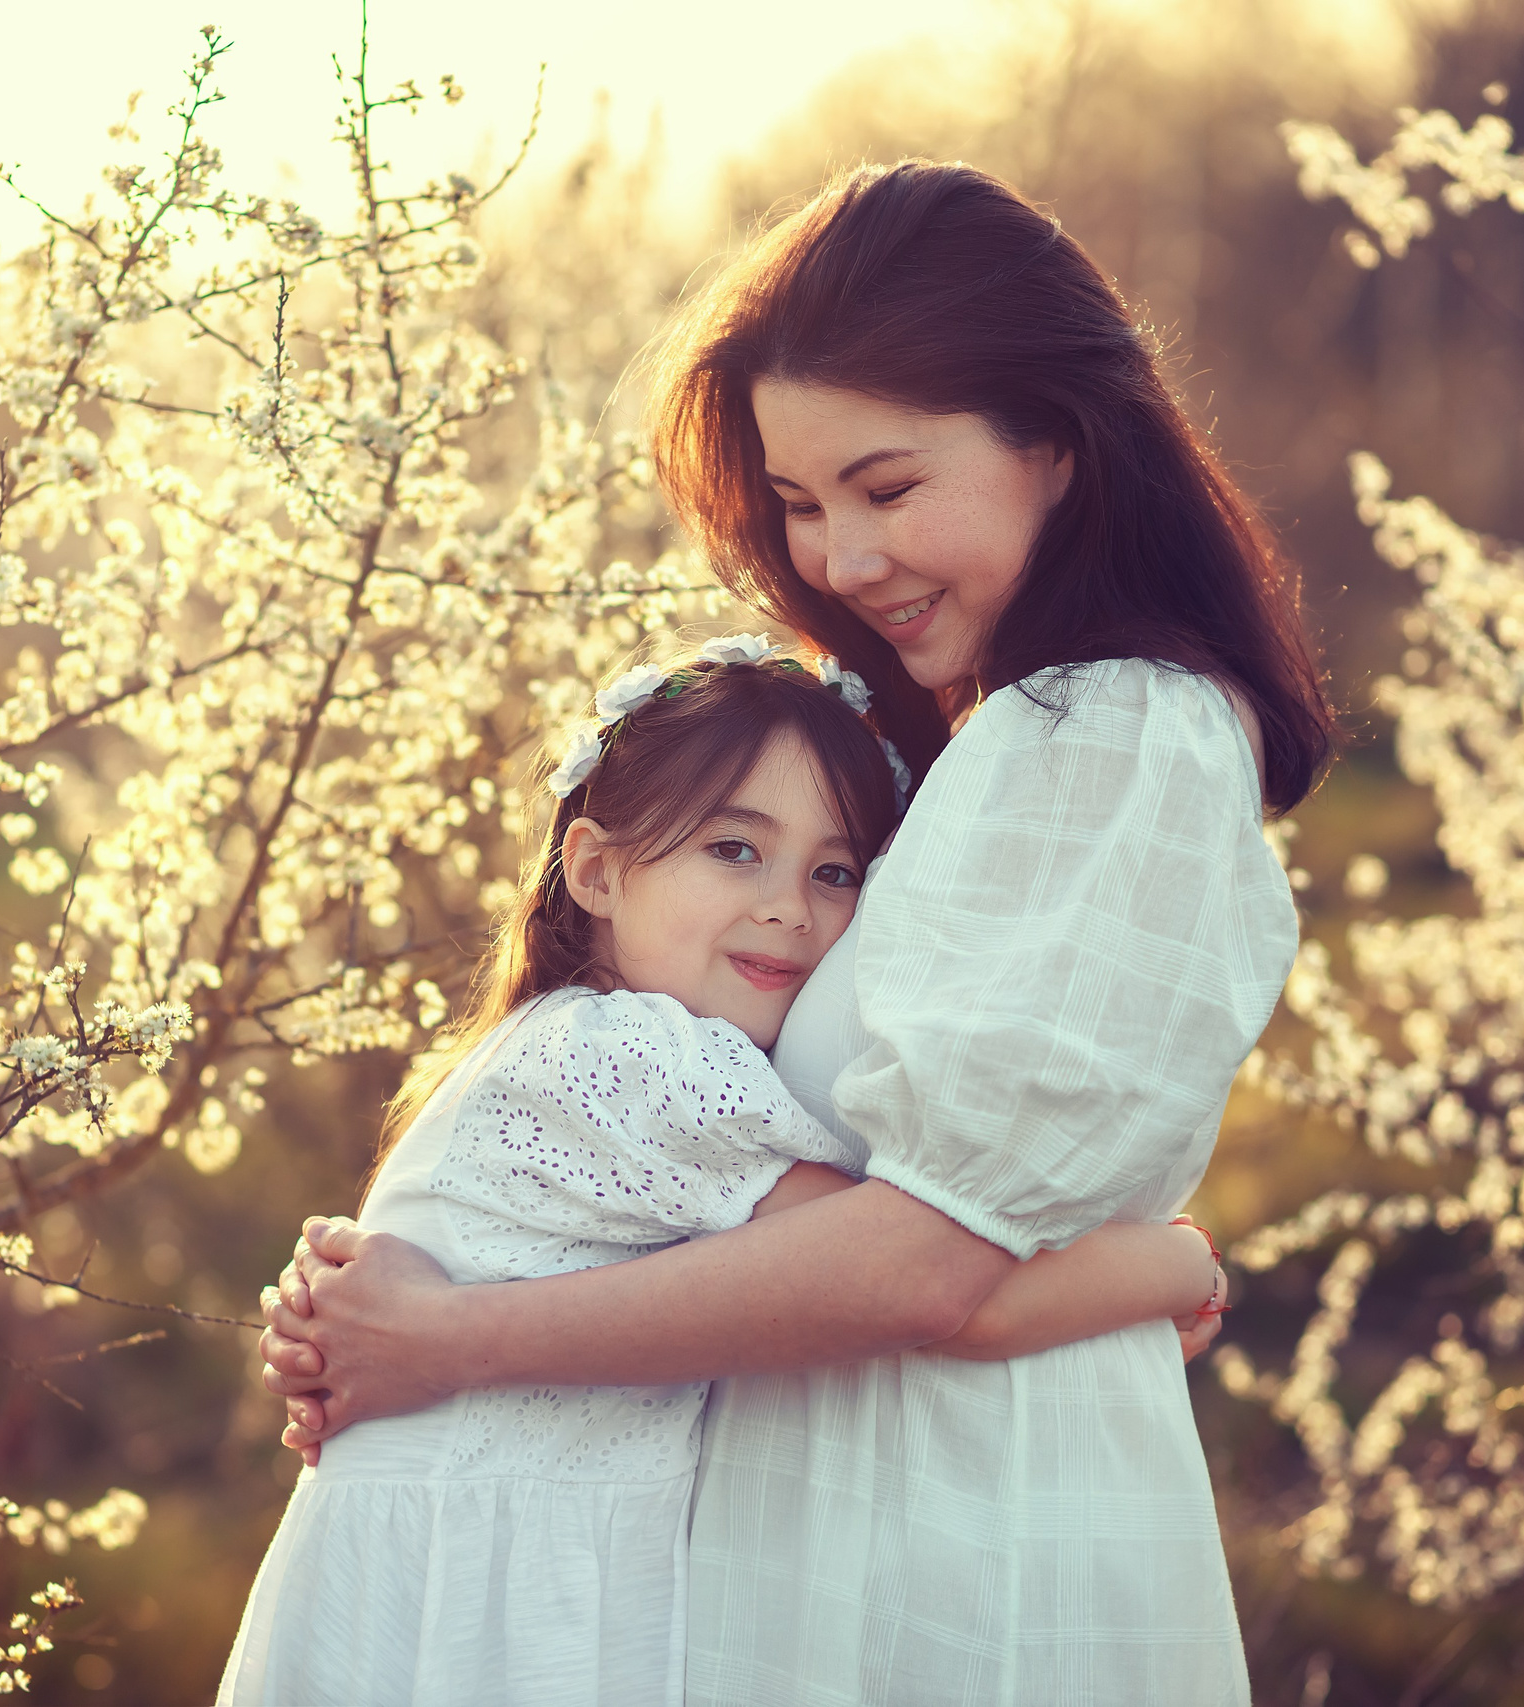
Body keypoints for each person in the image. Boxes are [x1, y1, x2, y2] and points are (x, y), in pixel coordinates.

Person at [261, 159, 1333, 1706]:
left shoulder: (1114, 727)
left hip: (958, 1528)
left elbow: (923, 1266)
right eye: (801, 504)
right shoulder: (981, 740)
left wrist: (452, 1336)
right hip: (830, 1514)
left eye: (888, 487)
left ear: (1058, 443)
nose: (837, 560)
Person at [218, 637, 1226, 1707]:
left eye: (832, 872)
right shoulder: (641, 1060)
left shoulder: (545, 1041)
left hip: (417, 1582)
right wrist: (1179, 1265)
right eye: (734, 851)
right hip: (509, 1604)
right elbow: (938, 1288)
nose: (789, 906)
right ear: (598, 869)